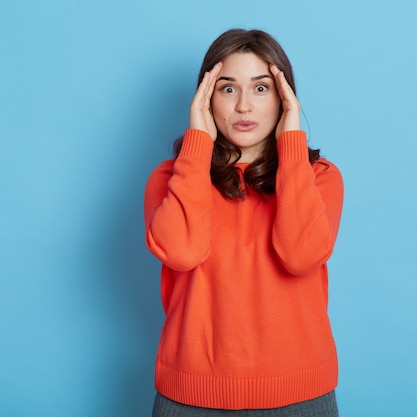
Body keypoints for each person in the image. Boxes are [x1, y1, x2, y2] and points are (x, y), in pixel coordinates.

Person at [144, 28, 343, 416]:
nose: (244, 107)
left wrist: (292, 146)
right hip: (189, 397)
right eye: (228, 89)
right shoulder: (170, 179)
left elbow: (300, 256)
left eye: (262, 88)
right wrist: (197, 143)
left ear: (286, 99)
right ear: (205, 98)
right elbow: (182, 253)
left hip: (301, 397)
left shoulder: (319, 177)